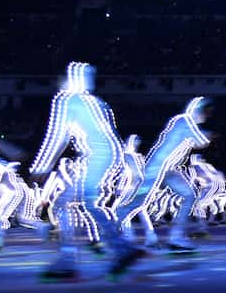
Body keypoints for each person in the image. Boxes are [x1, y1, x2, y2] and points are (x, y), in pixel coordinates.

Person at [29, 62, 145, 280]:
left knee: (64, 204)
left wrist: (41, 166)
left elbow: (57, 135)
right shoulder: (97, 102)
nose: (59, 81)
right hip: (110, 155)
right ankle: (121, 249)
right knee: (87, 204)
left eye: (63, 76)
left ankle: (68, 260)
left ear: (71, 78)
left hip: (96, 157)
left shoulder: (67, 99)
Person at [116, 97, 212, 252]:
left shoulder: (189, 125)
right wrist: (212, 134)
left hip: (170, 169)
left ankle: (176, 237)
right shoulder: (184, 120)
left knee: (189, 194)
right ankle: (108, 233)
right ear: (197, 109)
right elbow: (201, 141)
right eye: (205, 111)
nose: (206, 116)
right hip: (157, 168)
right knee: (137, 203)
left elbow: (195, 141)